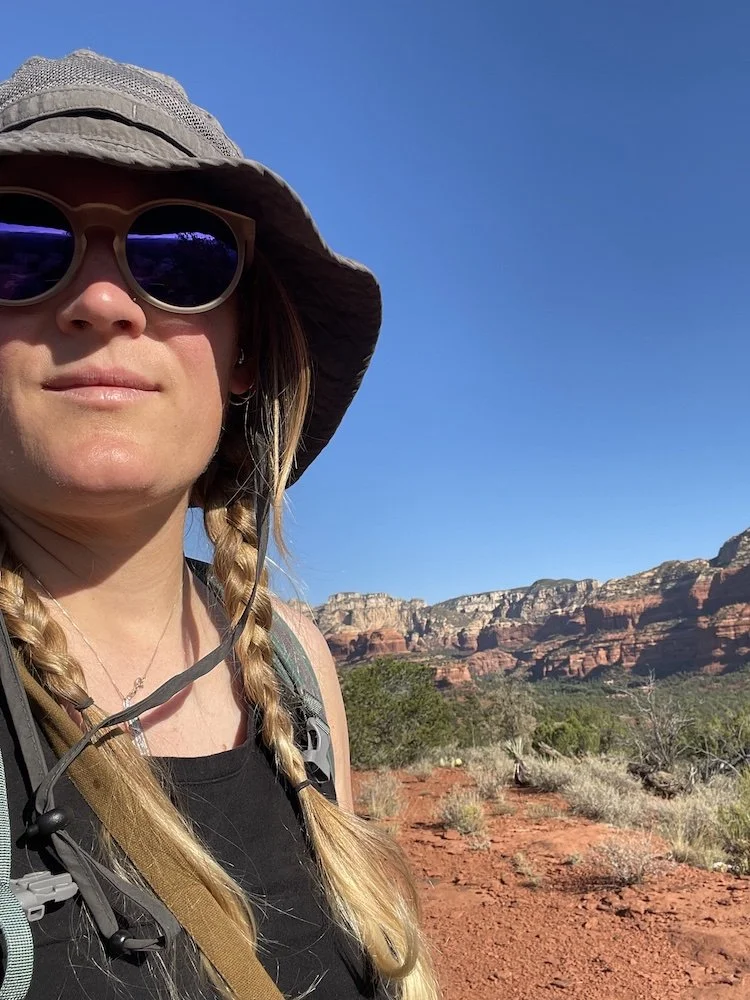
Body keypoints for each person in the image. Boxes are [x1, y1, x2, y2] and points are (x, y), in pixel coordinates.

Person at [0, 50, 439, 1000]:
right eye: (17, 244)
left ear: (243, 352)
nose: (104, 301)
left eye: (181, 255)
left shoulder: (295, 668)